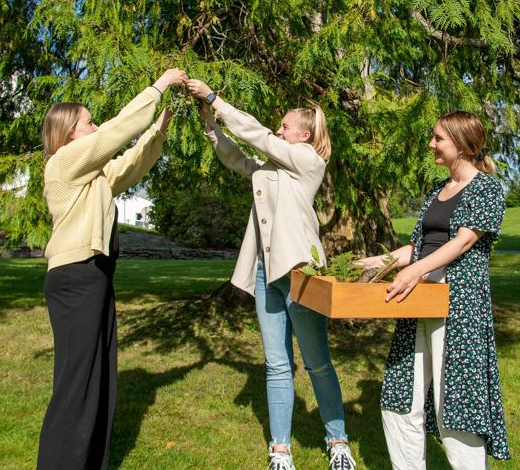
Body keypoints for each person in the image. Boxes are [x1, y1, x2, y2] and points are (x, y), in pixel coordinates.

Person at [185, 78, 356, 470]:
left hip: (299, 272)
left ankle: (338, 440)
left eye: (284, 126)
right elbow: (239, 160)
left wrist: (216, 98)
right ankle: (280, 450)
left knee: (317, 362)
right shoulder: (276, 167)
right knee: (277, 363)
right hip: (266, 273)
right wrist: (211, 125)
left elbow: (258, 138)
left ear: (304, 134)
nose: (278, 131)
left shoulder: (309, 161)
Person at [37, 68, 188, 470]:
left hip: (96, 276)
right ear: (69, 132)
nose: (96, 125)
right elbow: (116, 134)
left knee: (99, 379)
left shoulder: (93, 176)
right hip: (75, 279)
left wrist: (161, 123)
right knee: (76, 383)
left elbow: (130, 165)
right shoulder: (63, 163)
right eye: (88, 121)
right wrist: (159, 85)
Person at [356, 111, 510, 470]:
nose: (432, 144)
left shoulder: (487, 189)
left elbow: (461, 243)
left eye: (438, 138)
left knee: (454, 405)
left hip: (458, 307)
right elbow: (417, 246)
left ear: (462, 143)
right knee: (399, 399)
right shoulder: (436, 191)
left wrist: (415, 270)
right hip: (417, 301)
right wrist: (378, 262)